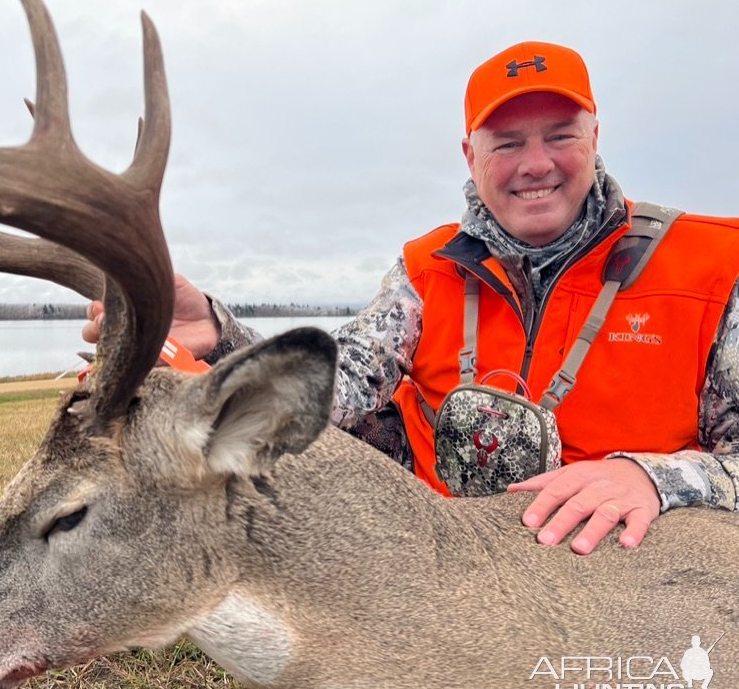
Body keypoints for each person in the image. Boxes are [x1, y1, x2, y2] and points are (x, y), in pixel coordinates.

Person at [83, 40, 739, 556]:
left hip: (627, 571)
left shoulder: (713, 264)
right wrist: (219, 343)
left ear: (596, 137)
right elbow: (346, 376)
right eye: (507, 142)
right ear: (469, 154)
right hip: (447, 555)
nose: (535, 164)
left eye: (560, 135)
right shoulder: (429, 268)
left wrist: (652, 478)